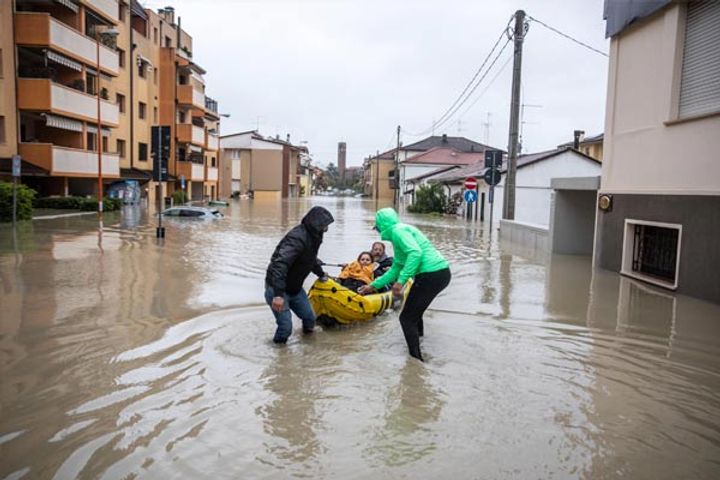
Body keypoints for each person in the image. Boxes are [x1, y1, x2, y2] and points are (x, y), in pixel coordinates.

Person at [358, 208, 451, 361]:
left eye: (377, 227)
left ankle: (416, 362)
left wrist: (400, 282)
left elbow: (415, 253)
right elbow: (396, 267)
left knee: (406, 319)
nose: (378, 231)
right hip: (439, 273)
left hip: (431, 274)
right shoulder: (400, 233)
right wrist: (373, 286)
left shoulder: (398, 232)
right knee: (414, 313)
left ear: (382, 225)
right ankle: (419, 341)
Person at [265, 206, 335, 344]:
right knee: (286, 328)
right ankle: (279, 354)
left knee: (310, 319)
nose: (326, 229)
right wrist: (278, 295)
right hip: (278, 289)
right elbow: (280, 265)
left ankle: (308, 345)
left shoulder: (314, 237)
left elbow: (310, 260)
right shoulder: (297, 238)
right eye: (325, 225)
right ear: (316, 224)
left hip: (295, 289)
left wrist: (321, 274)